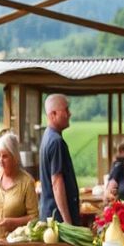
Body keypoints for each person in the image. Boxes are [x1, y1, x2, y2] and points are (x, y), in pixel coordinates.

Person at [38, 94, 79, 224]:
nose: (69, 114)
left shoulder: (47, 137)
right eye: (66, 110)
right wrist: (68, 222)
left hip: (50, 215)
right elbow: (57, 183)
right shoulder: (56, 142)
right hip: (57, 219)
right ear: (53, 114)